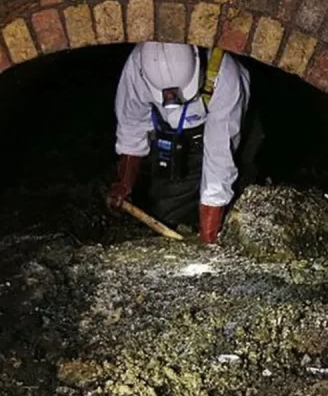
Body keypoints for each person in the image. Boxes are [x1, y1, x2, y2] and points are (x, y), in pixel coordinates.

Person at [107, 41, 252, 244]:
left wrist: (208, 241)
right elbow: (131, 127)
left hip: (226, 129)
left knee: (241, 200)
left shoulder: (224, 74)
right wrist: (124, 184)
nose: (171, 99)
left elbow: (219, 161)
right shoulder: (138, 66)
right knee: (167, 213)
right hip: (175, 139)